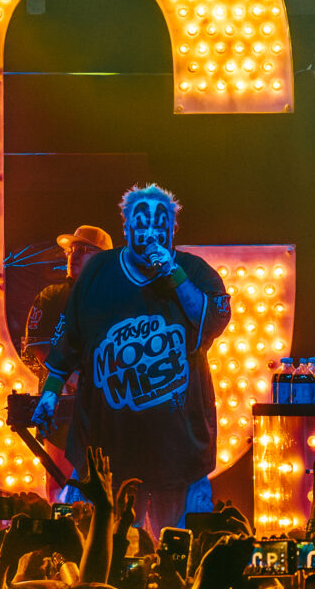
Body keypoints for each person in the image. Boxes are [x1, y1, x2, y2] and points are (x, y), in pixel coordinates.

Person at [31, 185, 231, 533]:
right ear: (128, 228)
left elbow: (209, 325)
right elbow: (70, 340)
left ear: (173, 228)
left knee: (171, 535)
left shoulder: (196, 272)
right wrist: (50, 391)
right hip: (113, 438)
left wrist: (174, 274)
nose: (150, 231)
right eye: (141, 222)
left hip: (175, 436)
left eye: (160, 222)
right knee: (116, 535)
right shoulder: (99, 275)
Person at [21, 223, 113, 380]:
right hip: (59, 397)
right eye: (70, 251)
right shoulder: (50, 296)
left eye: (82, 250)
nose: (73, 256)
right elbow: (39, 348)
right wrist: (76, 381)